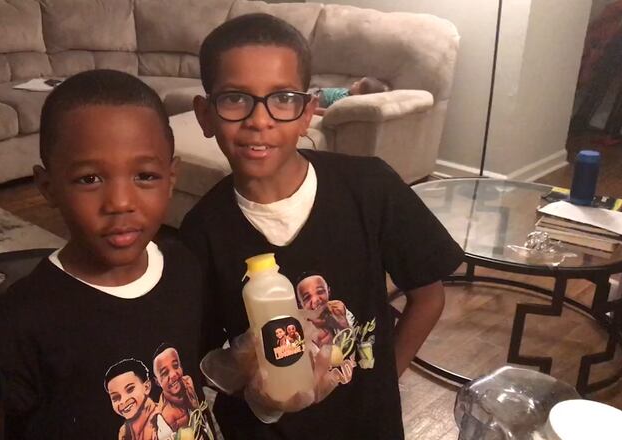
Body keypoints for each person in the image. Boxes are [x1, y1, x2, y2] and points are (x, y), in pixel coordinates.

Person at [181, 13, 464, 440]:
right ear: (205, 115)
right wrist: (251, 384)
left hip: (367, 427)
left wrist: (383, 382)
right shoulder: (201, 231)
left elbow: (428, 296)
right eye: (235, 99)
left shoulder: (370, 188)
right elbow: (206, 356)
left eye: (282, 98)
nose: (259, 120)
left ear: (307, 112)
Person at [0, 69, 216, 439]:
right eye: (90, 179)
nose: (120, 202)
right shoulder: (22, 321)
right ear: (48, 187)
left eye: (145, 176)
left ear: (171, 178)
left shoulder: (184, 268)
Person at [104, 359, 171, 440]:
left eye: (130, 389)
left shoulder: (165, 419)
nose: (123, 401)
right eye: (115, 397)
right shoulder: (124, 432)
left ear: (147, 387)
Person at [312, 76, 391, 115]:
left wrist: (314, 110)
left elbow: (330, 111)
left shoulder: (345, 101)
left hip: (319, 99)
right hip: (317, 92)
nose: (355, 83)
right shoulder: (349, 92)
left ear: (358, 95)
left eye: (357, 85)